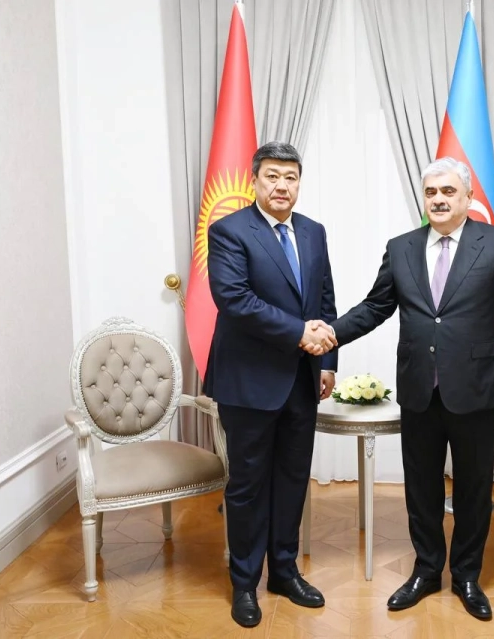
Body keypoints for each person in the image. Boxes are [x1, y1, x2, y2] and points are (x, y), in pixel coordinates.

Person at [328, 157, 494, 620]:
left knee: (473, 489)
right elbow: (375, 307)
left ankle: (466, 575)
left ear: (467, 197)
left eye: (448, 191)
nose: (438, 199)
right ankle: (426, 570)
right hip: (420, 389)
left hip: (478, 389)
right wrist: (330, 334)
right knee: (420, 487)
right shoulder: (401, 247)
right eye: (430, 192)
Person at [205, 141, 338, 628]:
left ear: (299, 183)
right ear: (255, 180)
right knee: (247, 485)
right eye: (273, 176)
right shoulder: (229, 231)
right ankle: (245, 584)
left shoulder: (314, 231)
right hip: (248, 382)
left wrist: (327, 360)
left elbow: (324, 297)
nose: (282, 186)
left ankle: (284, 571)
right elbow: (235, 300)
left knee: (292, 480)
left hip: (302, 380)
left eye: (291, 177)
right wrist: (300, 332)